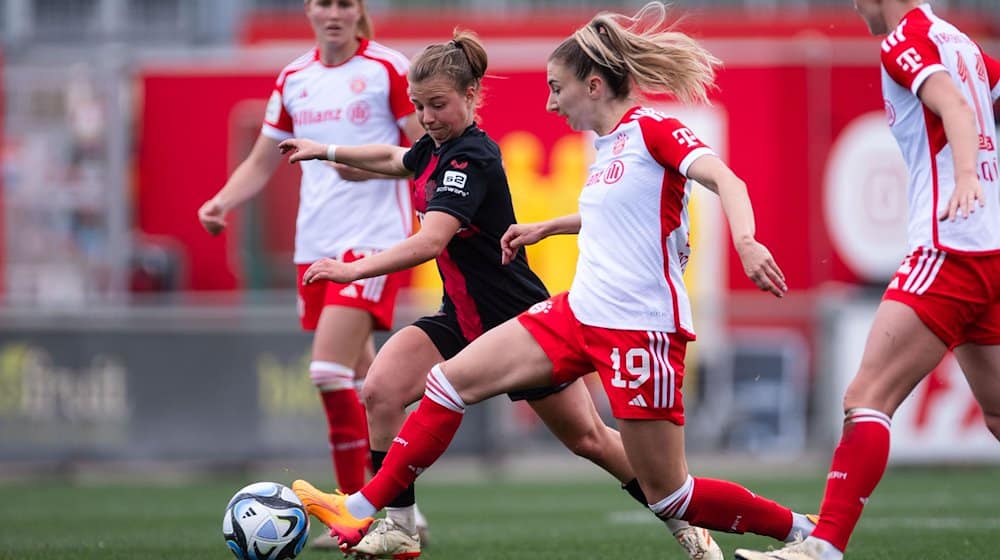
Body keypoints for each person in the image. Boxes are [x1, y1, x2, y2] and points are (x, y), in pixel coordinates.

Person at [285, 2, 820, 555]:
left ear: (591, 85)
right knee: (427, 386)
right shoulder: (606, 146)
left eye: (555, 88)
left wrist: (748, 240)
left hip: (634, 326)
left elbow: (723, 176)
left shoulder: (647, 131)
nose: (548, 101)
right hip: (567, 312)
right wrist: (550, 226)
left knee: (656, 484)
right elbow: (615, 214)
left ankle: (800, 532)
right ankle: (378, 515)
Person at [735, 2, 1000, 560]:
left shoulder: (907, 38)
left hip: (948, 247)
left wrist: (970, 176)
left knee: (866, 396)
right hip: (990, 252)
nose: (854, 7)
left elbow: (951, 104)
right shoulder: (964, 43)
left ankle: (824, 544)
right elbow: (982, 100)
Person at [196, 0, 426, 548]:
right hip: (314, 246)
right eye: (325, 2)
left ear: (358, 11)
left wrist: (360, 160)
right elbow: (262, 159)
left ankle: (356, 510)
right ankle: (400, 513)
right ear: (309, 9)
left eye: (346, 3)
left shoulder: (388, 68)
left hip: (372, 243)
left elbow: (425, 148)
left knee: (327, 370)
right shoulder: (293, 77)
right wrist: (222, 202)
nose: (334, 13)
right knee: (370, 387)